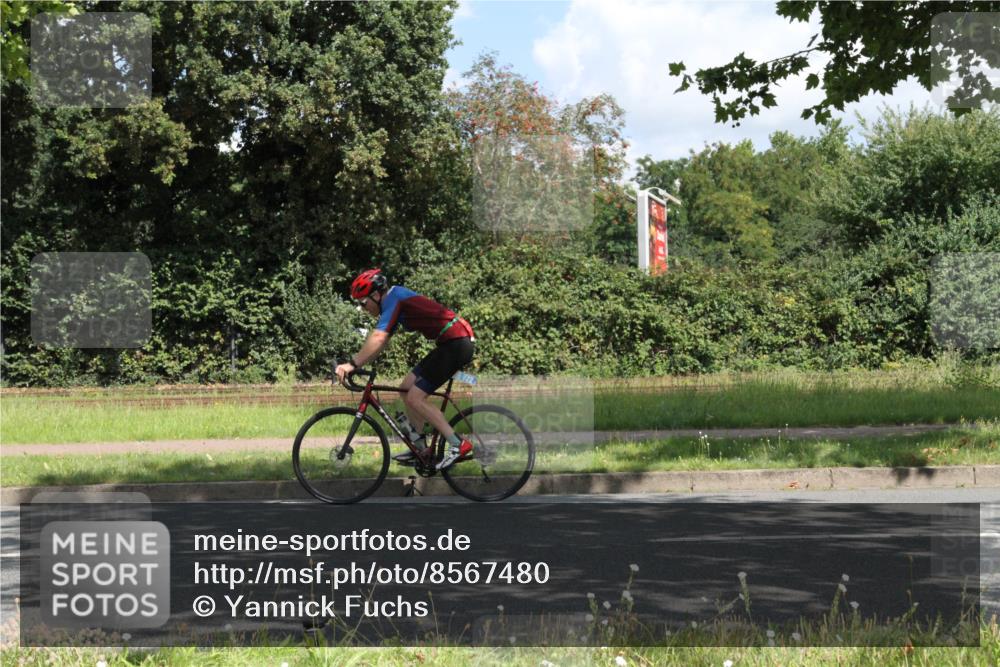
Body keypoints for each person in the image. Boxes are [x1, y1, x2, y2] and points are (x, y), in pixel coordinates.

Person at [334, 268, 475, 470]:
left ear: (376, 295)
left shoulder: (394, 299)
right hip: (449, 343)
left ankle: (457, 443)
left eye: (363, 303)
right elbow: (380, 342)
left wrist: (352, 364)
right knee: (406, 388)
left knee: (415, 397)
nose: (363, 308)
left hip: (456, 344)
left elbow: (378, 337)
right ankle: (420, 447)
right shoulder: (393, 301)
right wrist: (357, 363)